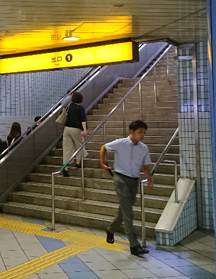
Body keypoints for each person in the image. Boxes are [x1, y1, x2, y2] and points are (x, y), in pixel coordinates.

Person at [100, 120, 153, 256]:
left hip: (134, 181)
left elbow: (146, 166)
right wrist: (103, 164)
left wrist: (149, 180)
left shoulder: (143, 148)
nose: (142, 135)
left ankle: (110, 230)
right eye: (140, 132)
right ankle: (134, 245)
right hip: (120, 179)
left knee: (124, 209)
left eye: (144, 133)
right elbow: (104, 147)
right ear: (132, 132)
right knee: (128, 212)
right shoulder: (120, 143)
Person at [61, 92, 87, 177]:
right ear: (81, 100)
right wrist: (85, 129)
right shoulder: (81, 108)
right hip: (76, 129)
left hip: (66, 129)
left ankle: (65, 167)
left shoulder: (69, 106)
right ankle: (78, 162)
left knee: (67, 149)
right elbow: (83, 120)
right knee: (80, 145)